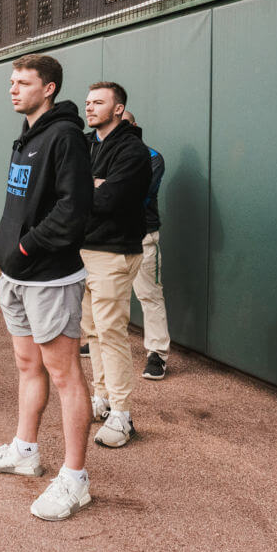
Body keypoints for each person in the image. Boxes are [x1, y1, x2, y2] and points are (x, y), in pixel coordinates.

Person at [0, 53, 94, 523]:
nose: (13, 89)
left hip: (50, 277)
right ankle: (25, 451)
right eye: (11, 81)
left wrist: (24, 250)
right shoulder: (28, 137)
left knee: (65, 376)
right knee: (27, 365)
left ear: (50, 88)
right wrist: (11, 258)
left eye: (23, 82)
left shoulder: (66, 138)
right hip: (17, 277)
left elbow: (72, 212)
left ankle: (76, 480)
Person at [80, 82, 153, 448]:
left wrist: (91, 188)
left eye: (99, 103)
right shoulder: (87, 143)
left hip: (115, 251)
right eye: (89, 101)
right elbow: (73, 192)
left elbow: (108, 199)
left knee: (111, 332)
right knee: (92, 331)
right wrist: (89, 185)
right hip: (86, 250)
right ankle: (103, 397)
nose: (90, 108)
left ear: (119, 109)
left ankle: (122, 414)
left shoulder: (134, 151)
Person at [122, 109, 171, 380]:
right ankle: (99, 342)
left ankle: (157, 354)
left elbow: (135, 194)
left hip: (143, 236)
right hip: (110, 237)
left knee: (149, 295)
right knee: (108, 295)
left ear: (135, 126)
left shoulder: (153, 157)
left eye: (126, 124)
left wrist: (105, 187)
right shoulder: (101, 153)